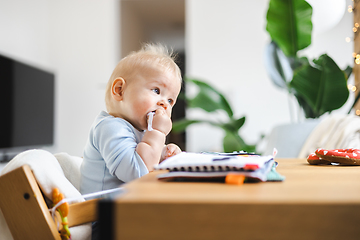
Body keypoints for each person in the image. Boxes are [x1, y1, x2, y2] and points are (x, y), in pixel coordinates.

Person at [80, 43, 182, 196]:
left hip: (128, 209)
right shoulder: (110, 127)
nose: (164, 104)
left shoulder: (140, 130)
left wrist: (164, 155)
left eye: (170, 101)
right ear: (120, 90)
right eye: (156, 90)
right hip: (102, 215)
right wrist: (158, 132)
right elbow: (139, 174)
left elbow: (150, 162)